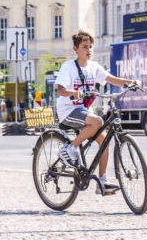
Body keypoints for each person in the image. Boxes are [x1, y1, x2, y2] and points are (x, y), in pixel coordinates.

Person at [55, 30, 141, 195]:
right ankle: (70, 148)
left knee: (105, 140)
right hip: (69, 110)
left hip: (85, 111)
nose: (89, 50)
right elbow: (60, 90)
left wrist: (131, 82)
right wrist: (73, 92)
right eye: (84, 47)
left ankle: (102, 181)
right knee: (99, 122)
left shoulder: (94, 67)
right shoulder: (69, 67)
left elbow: (111, 79)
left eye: (91, 47)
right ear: (76, 49)